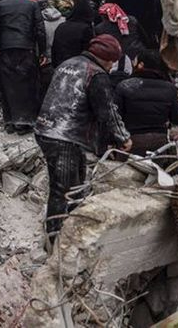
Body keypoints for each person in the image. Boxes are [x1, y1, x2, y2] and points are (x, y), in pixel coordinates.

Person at [35, 35, 132, 240]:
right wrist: (123, 138)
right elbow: (108, 111)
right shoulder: (96, 74)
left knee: (74, 182)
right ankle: (57, 239)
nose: (112, 66)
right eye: (112, 61)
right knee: (64, 189)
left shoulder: (68, 64)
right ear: (105, 58)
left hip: (46, 129)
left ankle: (70, 227)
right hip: (65, 134)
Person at [0, 0, 47, 133]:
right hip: (26, 47)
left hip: (5, 48)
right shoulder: (32, 5)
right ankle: (26, 121)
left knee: (8, 84)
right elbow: (40, 29)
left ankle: (9, 120)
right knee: (27, 84)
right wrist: (43, 51)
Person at [113, 49, 178, 158]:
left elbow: (115, 117)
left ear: (141, 65)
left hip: (130, 143)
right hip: (160, 144)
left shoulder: (124, 86)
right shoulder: (169, 88)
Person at [51, 0, 95, 67]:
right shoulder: (86, 29)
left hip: (61, 64)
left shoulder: (61, 26)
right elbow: (88, 51)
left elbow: (54, 48)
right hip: (78, 66)